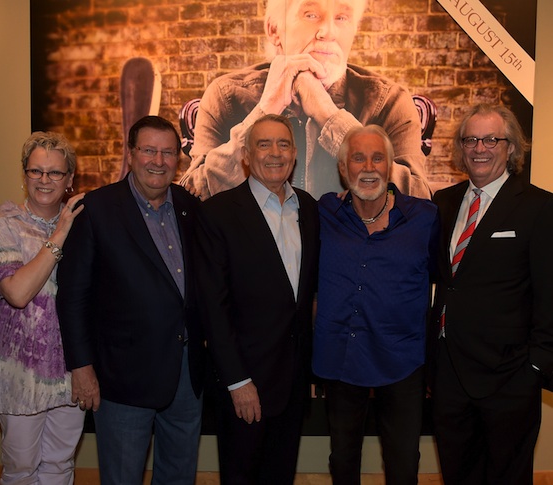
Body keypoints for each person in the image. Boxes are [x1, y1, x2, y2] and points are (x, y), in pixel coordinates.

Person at [56, 116, 206, 485]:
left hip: (186, 374)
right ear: (131, 153)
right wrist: (81, 368)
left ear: (178, 159)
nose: (158, 160)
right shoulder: (96, 209)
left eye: (168, 152)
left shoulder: (190, 207)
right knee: (122, 476)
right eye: (149, 150)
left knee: (179, 475)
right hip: (121, 377)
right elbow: (72, 296)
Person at [180, 0, 430, 201]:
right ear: (274, 29)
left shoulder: (389, 101)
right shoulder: (226, 95)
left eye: (342, 18)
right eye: (311, 14)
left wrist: (331, 118)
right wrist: (264, 111)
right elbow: (192, 197)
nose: (328, 32)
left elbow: (419, 202)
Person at [429, 104, 553, 485]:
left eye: (491, 139)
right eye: (470, 139)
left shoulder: (539, 207)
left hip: (509, 376)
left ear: (511, 147)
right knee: (457, 472)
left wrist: (534, 368)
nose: (479, 148)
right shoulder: (443, 202)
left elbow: (550, 294)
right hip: (449, 373)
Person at [196, 114, 319, 484]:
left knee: (280, 476)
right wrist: (237, 381)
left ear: (294, 154)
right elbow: (213, 309)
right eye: (263, 144)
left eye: (283, 144)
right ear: (247, 156)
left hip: (295, 381)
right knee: (242, 476)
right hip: (245, 384)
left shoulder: (309, 209)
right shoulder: (218, 214)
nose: (275, 153)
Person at [312, 125, 439, 485]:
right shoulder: (324, 214)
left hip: (401, 360)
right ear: (343, 168)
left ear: (390, 166)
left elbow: (439, 278)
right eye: (358, 157)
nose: (368, 167)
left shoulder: (424, 217)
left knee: (402, 464)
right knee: (343, 459)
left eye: (377, 157)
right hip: (342, 358)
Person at [0, 132, 85, 484]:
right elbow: (18, 293)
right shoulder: (1, 224)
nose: (44, 180)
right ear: (24, 175)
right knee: (21, 470)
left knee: (61, 466)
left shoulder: (84, 226)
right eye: (35, 171)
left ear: (70, 179)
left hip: (70, 372)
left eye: (55, 173)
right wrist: (58, 234)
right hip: (18, 375)